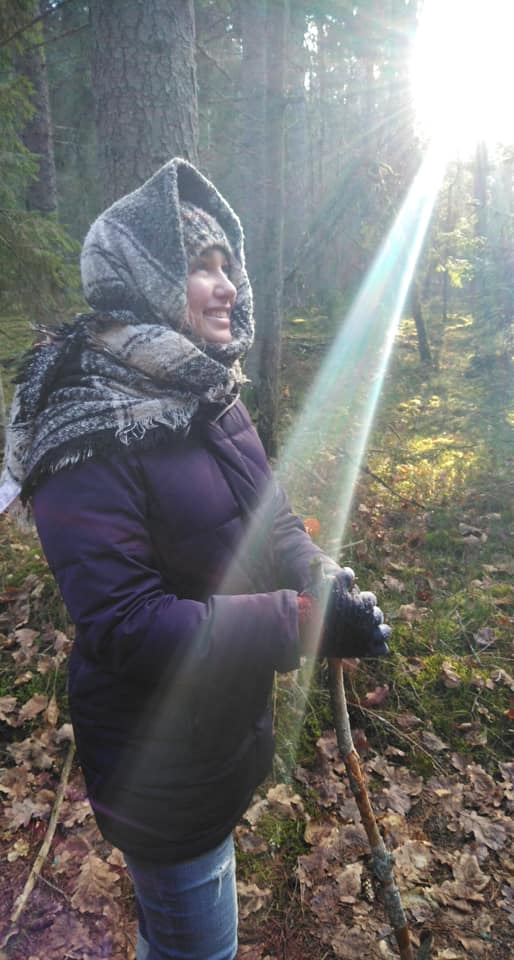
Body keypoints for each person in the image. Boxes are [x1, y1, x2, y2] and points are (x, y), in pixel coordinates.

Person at [0, 158, 390, 960]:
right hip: (159, 768)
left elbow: (269, 517)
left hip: (215, 741)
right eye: (197, 267)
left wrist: (316, 573)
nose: (226, 287)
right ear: (141, 276)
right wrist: (302, 624)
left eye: (226, 265)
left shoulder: (204, 386)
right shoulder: (87, 424)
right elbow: (127, 626)